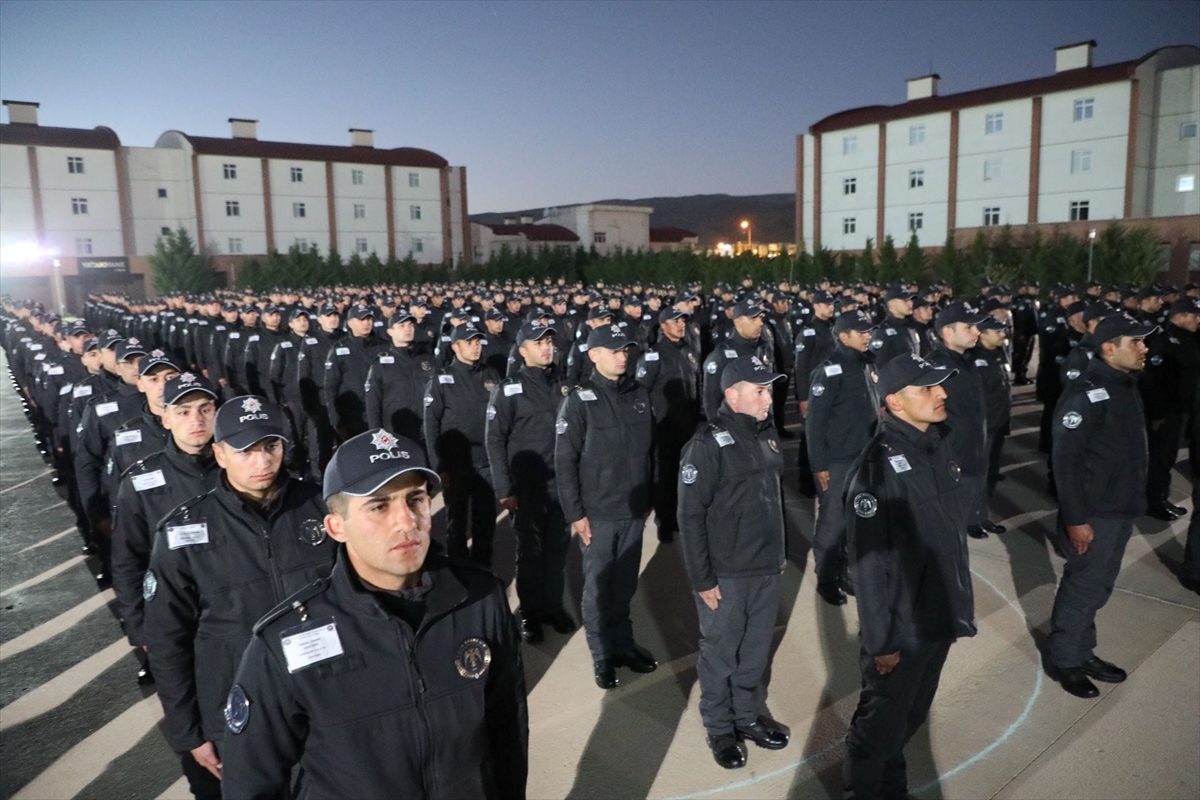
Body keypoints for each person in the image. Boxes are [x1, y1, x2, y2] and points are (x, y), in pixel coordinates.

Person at [218, 428, 528, 799]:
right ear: (336, 526)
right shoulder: (284, 641)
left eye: (415, 499)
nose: (407, 522)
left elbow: (507, 727)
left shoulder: (479, 599)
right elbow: (251, 783)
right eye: (379, 506)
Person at [144, 395, 337, 800]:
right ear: (220, 453)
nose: (262, 461)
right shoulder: (184, 533)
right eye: (246, 450)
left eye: (271, 446)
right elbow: (166, 640)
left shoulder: (322, 507)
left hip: (329, 700)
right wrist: (189, 733)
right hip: (239, 711)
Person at [841, 354, 976, 800]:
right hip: (904, 627)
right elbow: (868, 565)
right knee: (879, 729)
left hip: (938, 614)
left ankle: (889, 788)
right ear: (896, 403)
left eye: (939, 386)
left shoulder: (937, 446)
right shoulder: (877, 469)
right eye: (928, 389)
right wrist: (882, 640)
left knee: (909, 717)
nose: (942, 394)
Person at [678, 356, 789, 770]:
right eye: (760, 391)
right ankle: (721, 729)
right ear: (732, 395)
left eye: (770, 389)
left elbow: (771, 503)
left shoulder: (766, 435)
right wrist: (702, 579)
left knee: (755, 652)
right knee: (721, 654)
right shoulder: (705, 446)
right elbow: (690, 517)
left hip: (765, 569)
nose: (769, 398)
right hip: (726, 574)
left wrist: (779, 556)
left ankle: (746, 717)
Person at [1049, 314, 1156, 698]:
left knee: (1097, 588)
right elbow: (1065, 460)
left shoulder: (1124, 384)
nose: (1145, 348)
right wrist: (1076, 519)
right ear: (1110, 348)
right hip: (1094, 512)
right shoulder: (1086, 391)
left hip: (1119, 506)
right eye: (1137, 342)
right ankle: (1064, 659)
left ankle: (1081, 649)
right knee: (1083, 587)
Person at [555, 322, 658, 689]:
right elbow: (565, 461)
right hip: (598, 513)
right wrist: (576, 514)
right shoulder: (579, 400)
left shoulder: (639, 393)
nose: (622, 356)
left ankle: (623, 645)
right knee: (598, 589)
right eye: (614, 350)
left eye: (625, 349)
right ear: (593, 355)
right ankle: (602, 656)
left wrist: (652, 498)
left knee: (624, 586)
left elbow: (652, 451)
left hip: (633, 509)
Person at [111, 373, 220, 685]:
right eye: (183, 412)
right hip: (173, 612)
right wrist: (140, 628)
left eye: (205, 409)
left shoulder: (238, 471)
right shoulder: (141, 481)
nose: (196, 420)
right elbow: (127, 560)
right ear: (165, 418)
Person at [486, 320, 575, 642]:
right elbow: (495, 440)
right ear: (523, 351)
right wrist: (504, 490)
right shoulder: (509, 389)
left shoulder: (564, 384)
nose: (547, 347)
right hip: (527, 489)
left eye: (549, 341)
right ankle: (529, 611)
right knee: (530, 552)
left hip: (561, 486)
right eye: (538, 343)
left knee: (557, 549)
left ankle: (552, 607)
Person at [805, 310, 881, 606]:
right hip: (838, 462)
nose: (867, 336)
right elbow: (814, 423)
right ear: (844, 335)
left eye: (868, 331)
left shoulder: (868, 364)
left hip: (866, 458)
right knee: (833, 524)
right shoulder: (830, 370)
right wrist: (819, 465)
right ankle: (826, 578)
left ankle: (848, 573)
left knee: (860, 520)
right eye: (861, 332)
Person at [423, 323, 501, 566]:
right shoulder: (442, 380)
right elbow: (431, 425)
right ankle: (458, 569)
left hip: (486, 462)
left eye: (478, 341)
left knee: (485, 521)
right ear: (456, 347)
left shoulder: (491, 375)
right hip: (457, 464)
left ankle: (482, 568)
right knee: (456, 521)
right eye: (469, 342)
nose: (476, 346)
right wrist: (439, 465)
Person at [925, 302, 1000, 539]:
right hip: (953, 449)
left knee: (977, 484)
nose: (977, 332)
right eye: (969, 327)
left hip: (975, 442)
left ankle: (977, 518)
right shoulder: (935, 366)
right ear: (948, 332)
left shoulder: (967, 359)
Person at [636, 306, 702, 544]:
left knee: (685, 474)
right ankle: (664, 521)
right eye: (675, 321)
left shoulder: (688, 351)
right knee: (664, 475)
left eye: (682, 321)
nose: (681, 325)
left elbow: (696, 382)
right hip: (664, 427)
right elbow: (640, 391)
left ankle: (679, 516)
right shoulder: (654, 355)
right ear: (663, 326)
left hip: (687, 423)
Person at [1140, 298, 1200, 521]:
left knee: (1168, 457)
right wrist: (1157, 413)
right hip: (1167, 412)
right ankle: (1154, 501)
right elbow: (1153, 381)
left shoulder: (1189, 338)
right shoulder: (1163, 340)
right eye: (1194, 315)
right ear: (1180, 316)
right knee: (1160, 458)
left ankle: (1162, 497)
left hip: (1182, 409)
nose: (1198, 319)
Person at [365, 310, 435, 447]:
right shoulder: (381, 364)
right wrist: (376, 435)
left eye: (410, 325)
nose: (408, 329)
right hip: (395, 436)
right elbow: (373, 404)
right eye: (401, 326)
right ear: (390, 332)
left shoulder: (427, 359)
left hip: (426, 432)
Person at [324, 302, 386, 440]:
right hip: (353, 416)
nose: (366, 323)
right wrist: (335, 420)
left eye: (369, 319)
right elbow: (331, 387)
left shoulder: (385, 347)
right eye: (362, 319)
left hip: (382, 414)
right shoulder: (339, 350)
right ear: (351, 323)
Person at [971, 316, 1013, 503]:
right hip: (985, 424)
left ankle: (984, 507)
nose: (1003, 334)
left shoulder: (999, 351)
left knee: (993, 464)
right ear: (983, 334)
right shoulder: (973, 357)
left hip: (1000, 420)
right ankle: (976, 514)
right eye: (997, 331)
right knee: (980, 469)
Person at [868, 285, 920, 366]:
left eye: (910, 300)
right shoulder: (881, 332)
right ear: (891, 304)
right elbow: (877, 365)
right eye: (905, 300)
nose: (910, 303)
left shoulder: (911, 327)